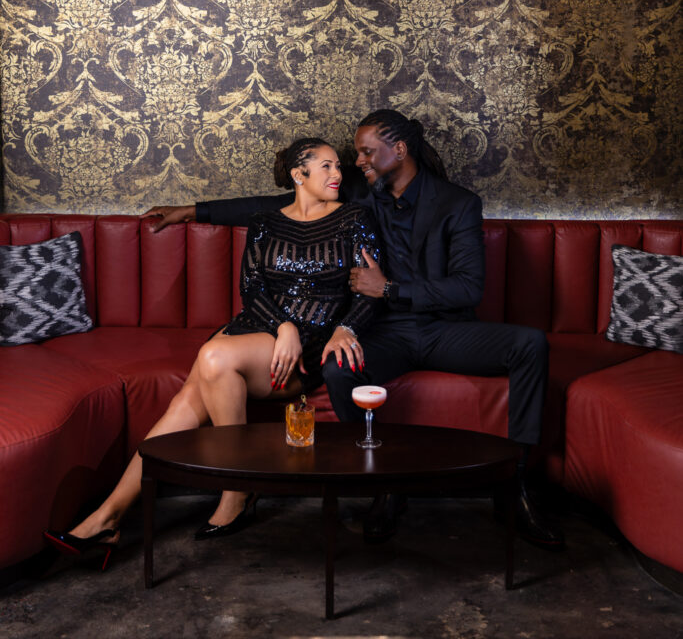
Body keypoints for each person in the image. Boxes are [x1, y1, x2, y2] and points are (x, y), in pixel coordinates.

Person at [147, 110, 564, 549]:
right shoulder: (359, 195)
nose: (357, 161)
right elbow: (275, 206)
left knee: (530, 343)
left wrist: (392, 288)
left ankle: (516, 484)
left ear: (399, 150)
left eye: (366, 152)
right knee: (336, 367)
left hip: (443, 331)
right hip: (383, 333)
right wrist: (193, 211)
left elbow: (468, 287)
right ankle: (385, 487)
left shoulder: (458, 203)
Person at [44, 137, 381, 565]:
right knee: (187, 399)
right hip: (262, 329)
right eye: (328, 167)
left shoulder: (355, 218)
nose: (339, 175)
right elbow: (252, 290)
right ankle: (108, 518)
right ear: (299, 175)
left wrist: (338, 329)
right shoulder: (265, 222)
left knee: (214, 357)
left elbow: (371, 290)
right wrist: (284, 325)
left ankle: (235, 488)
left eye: (340, 167)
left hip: (311, 345)